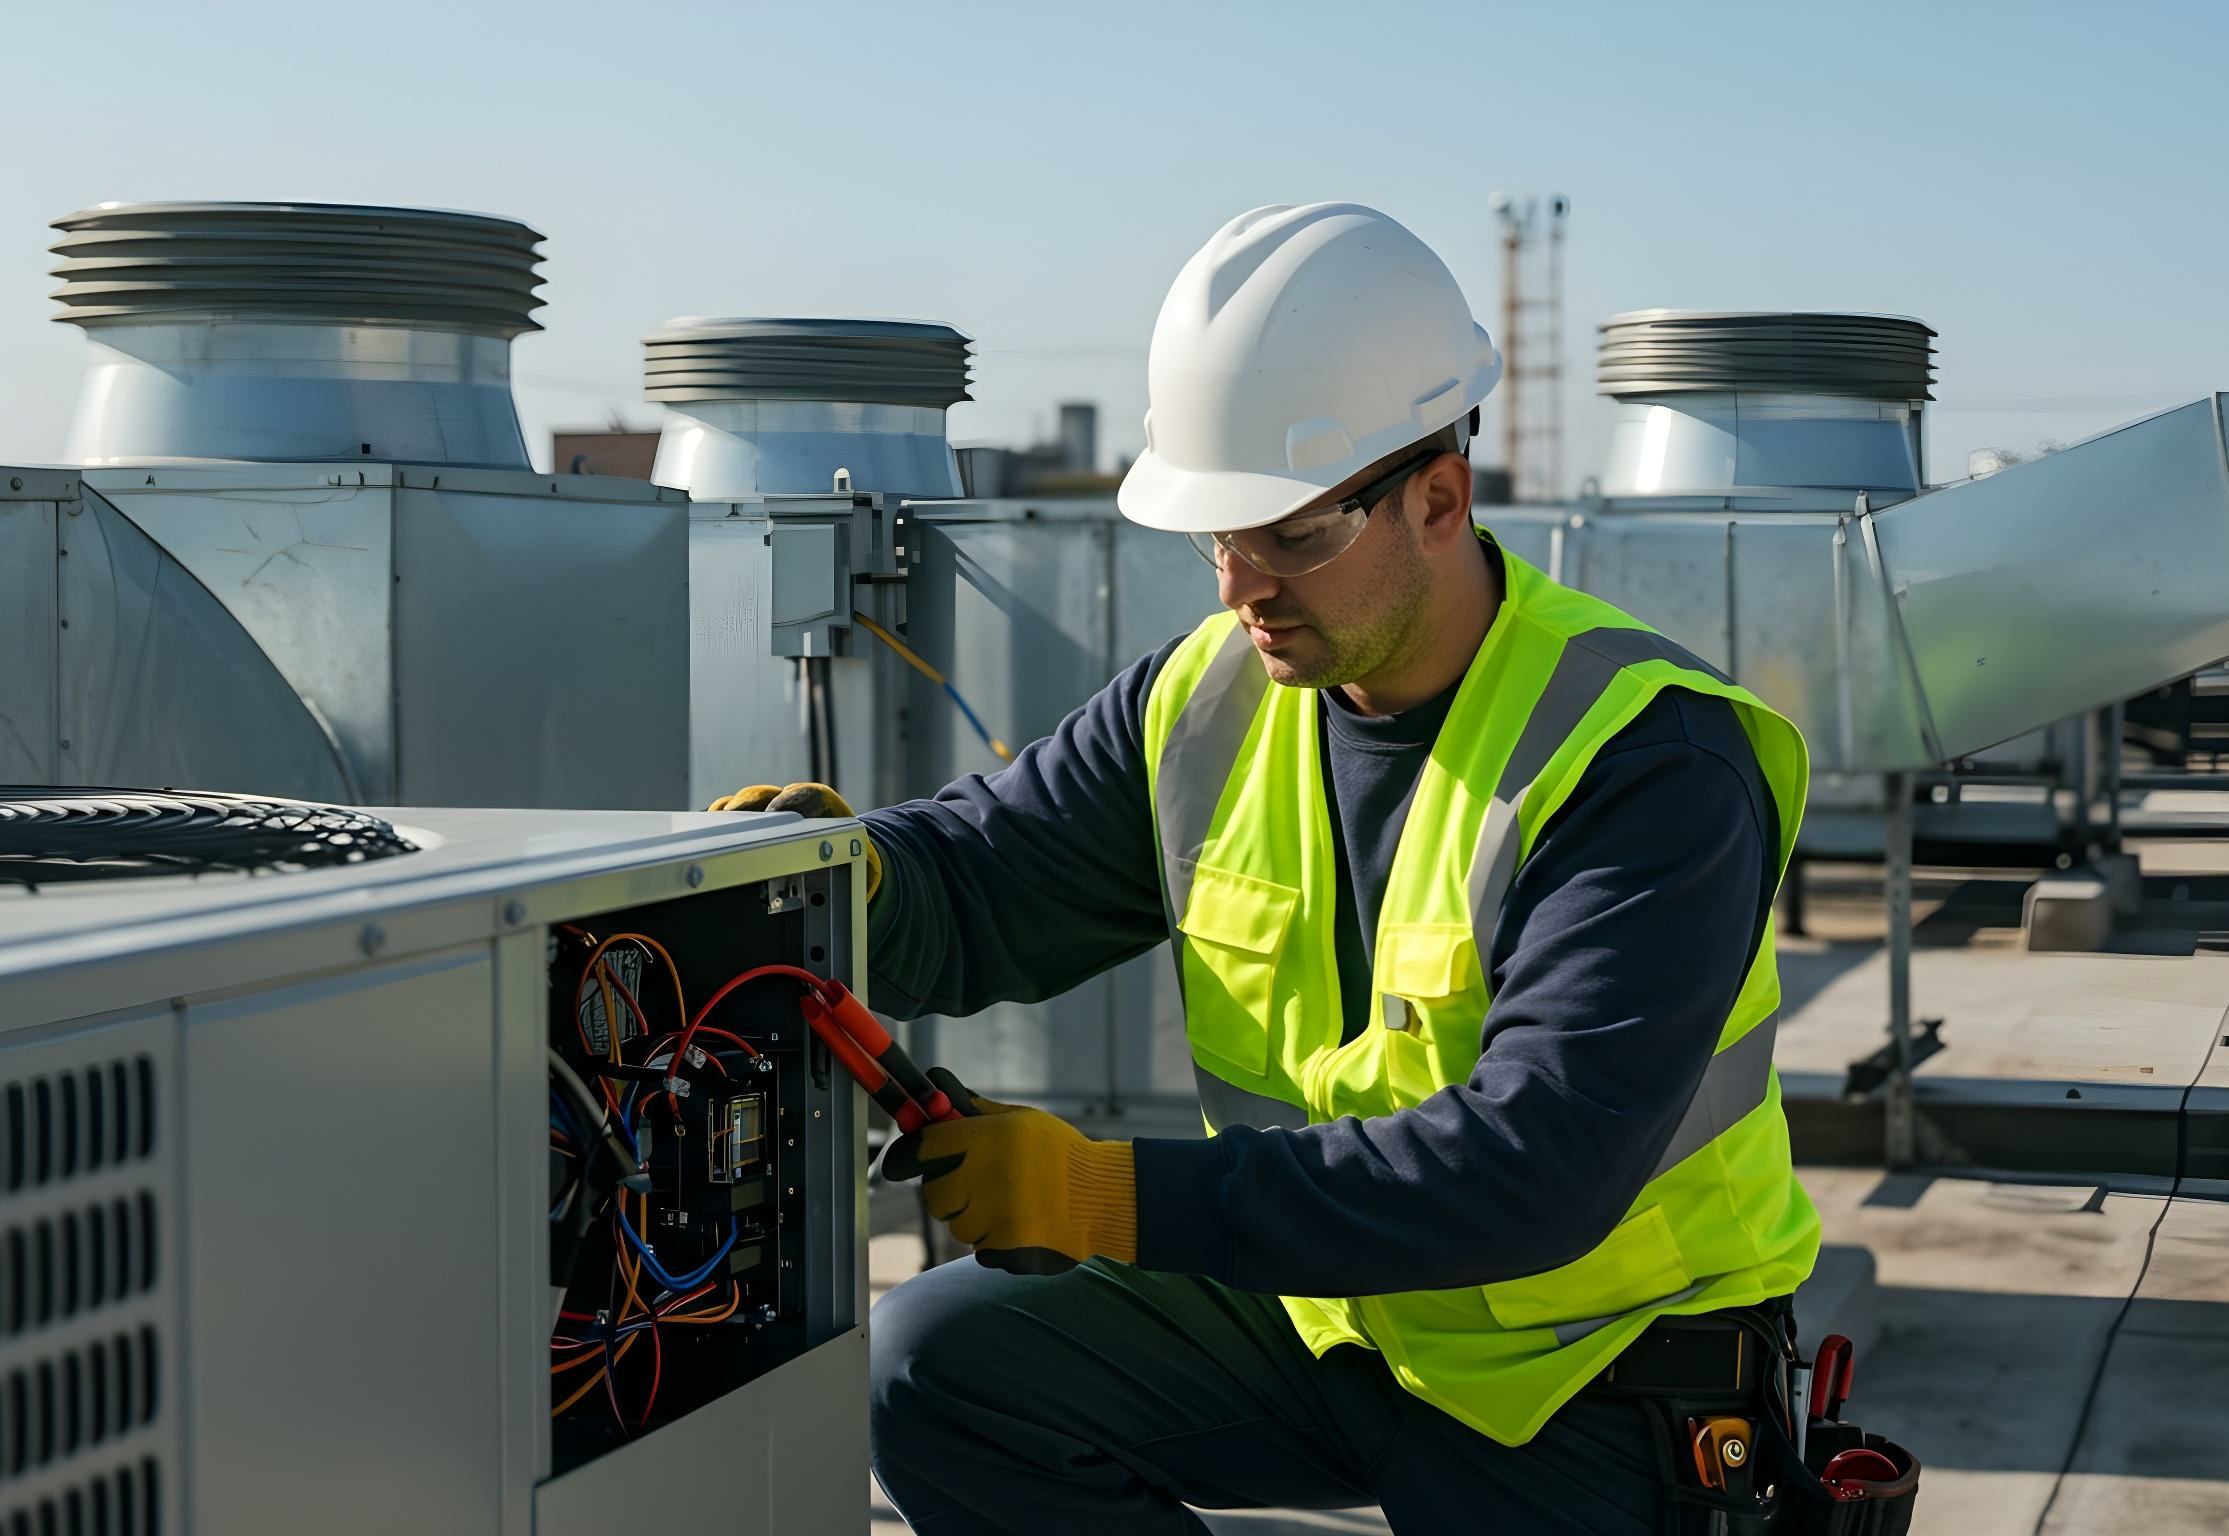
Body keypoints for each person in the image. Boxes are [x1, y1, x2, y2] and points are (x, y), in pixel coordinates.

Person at [716, 203, 1819, 1534]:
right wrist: (855, 876)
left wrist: (1103, 1196)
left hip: (1601, 1379)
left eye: (1290, 536)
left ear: (1437, 499)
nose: (1243, 585)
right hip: (1333, 1328)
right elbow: (983, 884)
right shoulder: (1209, 705)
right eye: (1216, 537)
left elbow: (1537, 1164)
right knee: (944, 1365)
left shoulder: (1647, 757)